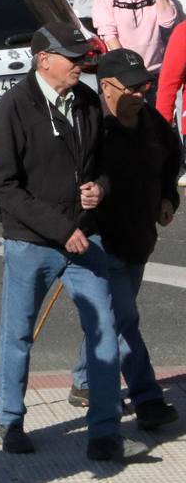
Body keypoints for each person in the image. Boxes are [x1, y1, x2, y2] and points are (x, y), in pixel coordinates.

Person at [0, 22, 130, 463]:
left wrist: (98, 189)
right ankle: (10, 420)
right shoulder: (13, 107)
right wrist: (59, 227)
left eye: (83, 55)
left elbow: (103, 165)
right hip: (32, 242)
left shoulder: (86, 101)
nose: (81, 64)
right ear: (43, 59)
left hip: (86, 237)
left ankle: (105, 432)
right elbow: (1, 184)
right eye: (72, 56)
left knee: (104, 329)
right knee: (18, 335)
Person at [68, 49, 180, 430]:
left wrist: (168, 197)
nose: (140, 94)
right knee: (123, 317)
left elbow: (171, 160)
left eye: (144, 85)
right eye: (131, 87)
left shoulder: (152, 123)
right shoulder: (92, 126)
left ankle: (85, 379)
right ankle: (147, 397)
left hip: (139, 238)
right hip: (101, 239)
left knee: (114, 315)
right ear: (107, 88)